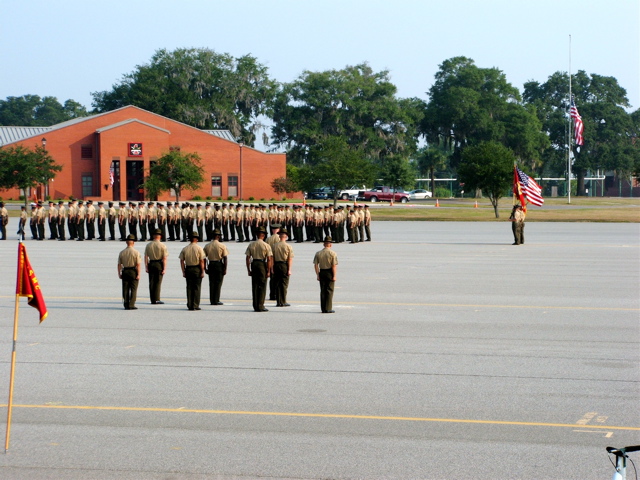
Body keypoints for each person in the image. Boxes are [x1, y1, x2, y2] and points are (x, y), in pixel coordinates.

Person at [245, 226, 273, 312]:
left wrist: (249, 269)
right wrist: (268, 271)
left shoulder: (251, 244)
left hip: (254, 264)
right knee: (262, 285)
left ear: (257, 235)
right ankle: (261, 305)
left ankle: (255, 305)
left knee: (255, 285)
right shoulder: (266, 245)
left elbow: (247, 258)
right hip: (262, 264)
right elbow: (269, 259)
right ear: (263, 236)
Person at [179, 231, 206, 310]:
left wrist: (183, 271)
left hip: (188, 268)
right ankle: (195, 304)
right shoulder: (199, 248)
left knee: (189, 287)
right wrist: (202, 271)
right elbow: (201, 261)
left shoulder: (185, 248)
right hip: (196, 268)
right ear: (196, 239)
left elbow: (181, 260)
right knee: (197, 287)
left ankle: (190, 304)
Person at [313, 236, 338, 313]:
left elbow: (316, 265)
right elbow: (334, 266)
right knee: (329, 290)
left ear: (324, 244)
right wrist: (334, 275)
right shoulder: (333, 253)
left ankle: (323, 308)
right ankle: (328, 307)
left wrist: (317, 274)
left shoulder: (318, 253)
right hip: (329, 272)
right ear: (330, 244)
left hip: (322, 272)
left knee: (323, 290)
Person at [203, 228, 228, 305]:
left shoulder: (207, 246)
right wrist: (225, 268)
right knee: (218, 283)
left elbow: (203, 258)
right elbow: (225, 258)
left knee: (212, 283)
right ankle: (216, 300)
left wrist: (205, 268)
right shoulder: (222, 246)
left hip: (211, 264)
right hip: (219, 264)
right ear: (218, 236)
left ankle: (212, 300)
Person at [117, 234, 141, 310]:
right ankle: (132, 304)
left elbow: (119, 264)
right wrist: (139, 274)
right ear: (133, 242)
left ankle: (126, 304)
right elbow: (138, 264)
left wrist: (119, 273)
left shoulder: (122, 252)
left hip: (125, 271)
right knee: (133, 288)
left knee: (125, 288)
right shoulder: (136, 252)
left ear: (126, 242)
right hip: (133, 271)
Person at [145, 229, 168, 304]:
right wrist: (164, 268)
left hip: (151, 263)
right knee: (158, 282)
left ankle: (152, 299)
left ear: (153, 236)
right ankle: (157, 299)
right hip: (159, 264)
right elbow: (164, 258)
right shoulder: (162, 246)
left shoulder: (148, 245)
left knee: (151, 282)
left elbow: (146, 257)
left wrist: (146, 267)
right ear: (160, 236)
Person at [272, 227, 294, 307]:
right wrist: (289, 269)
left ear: (279, 236)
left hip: (276, 265)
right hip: (284, 265)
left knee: (277, 283)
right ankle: (283, 301)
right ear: (286, 236)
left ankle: (278, 301)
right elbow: (290, 259)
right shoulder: (288, 246)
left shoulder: (274, 246)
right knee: (284, 284)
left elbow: (272, 258)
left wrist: (272, 268)